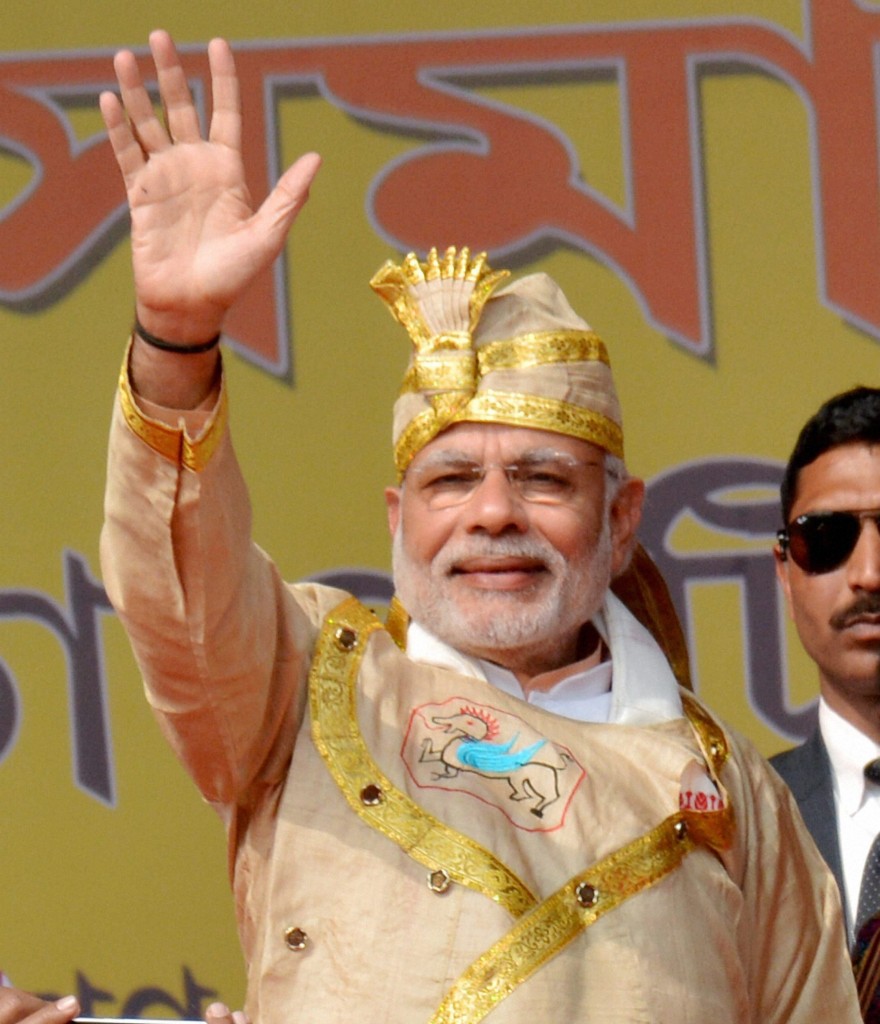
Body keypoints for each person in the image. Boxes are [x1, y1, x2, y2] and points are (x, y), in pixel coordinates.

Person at [98, 30, 859, 1023]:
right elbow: (174, 590)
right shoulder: (308, 685)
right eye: (450, 478)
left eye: (542, 477)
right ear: (396, 519)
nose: (492, 513)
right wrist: (175, 344)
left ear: (621, 519)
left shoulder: (735, 799)